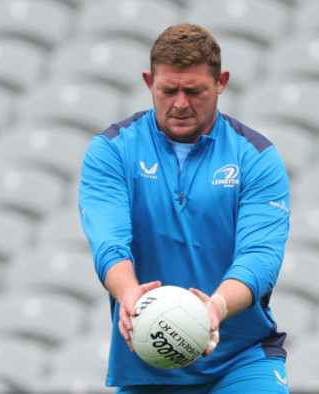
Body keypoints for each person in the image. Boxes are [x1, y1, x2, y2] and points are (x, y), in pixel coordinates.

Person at [79, 23, 290, 393]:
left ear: (221, 81)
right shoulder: (112, 151)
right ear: (149, 82)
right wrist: (129, 292)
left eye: (194, 91)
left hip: (241, 357)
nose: (180, 103)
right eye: (168, 90)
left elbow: (260, 257)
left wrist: (217, 308)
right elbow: (109, 242)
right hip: (150, 361)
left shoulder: (257, 157)